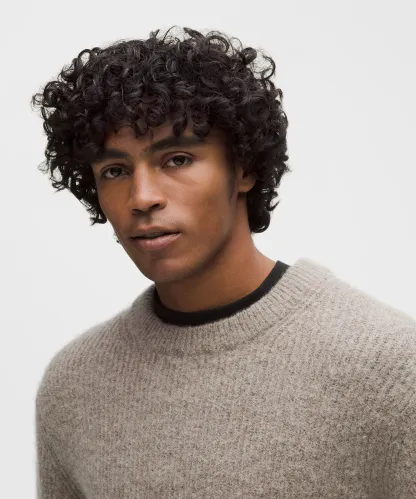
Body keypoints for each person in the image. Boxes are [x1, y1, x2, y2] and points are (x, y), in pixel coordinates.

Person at [31, 27, 415, 498]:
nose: (142, 197)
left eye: (176, 160)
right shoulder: (74, 386)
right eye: (115, 171)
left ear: (244, 167)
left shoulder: (389, 368)